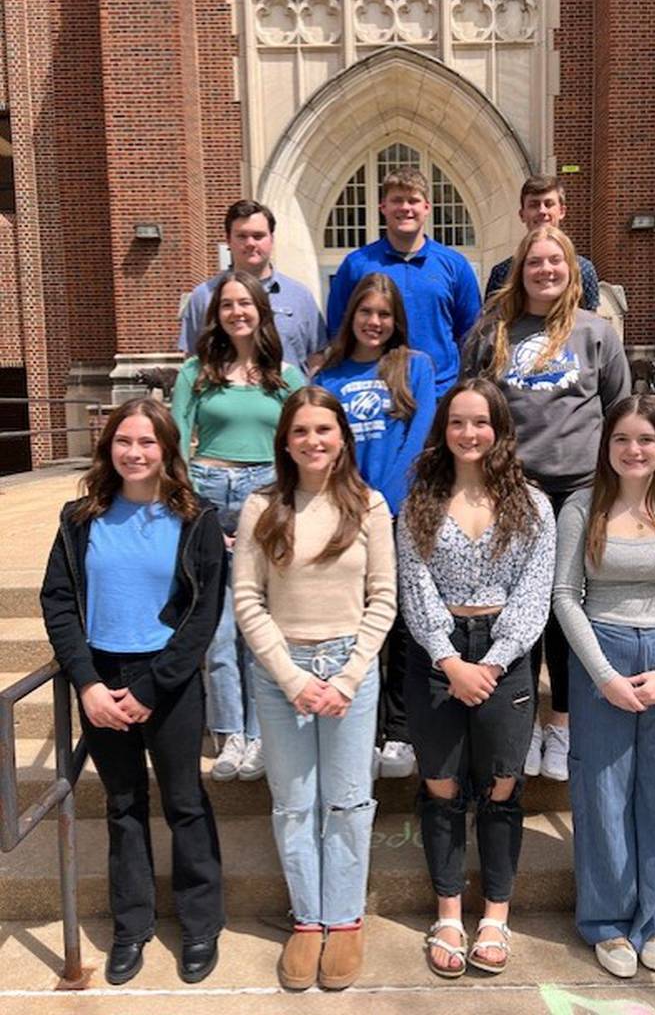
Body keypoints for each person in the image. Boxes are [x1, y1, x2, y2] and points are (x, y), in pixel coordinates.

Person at [40, 398, 226, 986]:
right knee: (122, 807)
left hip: (166, 682)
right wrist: (89, 684)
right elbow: (60, 603)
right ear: (109, 448)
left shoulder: (196, 520)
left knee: (185, 802)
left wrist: (151, 687)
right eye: (125, 441)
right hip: (101, 679)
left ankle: (200, 926)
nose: (136, 452)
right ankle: (132, 927)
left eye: (148, 442)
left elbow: (202, 615)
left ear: (168, 450)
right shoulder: (80, 519)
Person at [552, 395, 655, 978]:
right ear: (607, 446)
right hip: (601, 652)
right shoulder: (582, 507)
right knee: (601, 792)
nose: (633, 450)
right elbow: (564, 596)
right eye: (622, 439)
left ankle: (654, 916)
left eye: (645, 440)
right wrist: (603, 674)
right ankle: (605, 920)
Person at [233, 386, 396, 991]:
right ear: (285, 441)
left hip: (351, 666)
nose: (313, 441)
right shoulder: (262, 507)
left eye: (323, 430)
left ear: (342, 438)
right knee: (294, 802)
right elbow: (247, 601)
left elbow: (384, 599)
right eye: (300, 431)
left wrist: (347, 677)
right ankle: (308, 920)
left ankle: (345, 919)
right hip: (283, 673)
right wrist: (293, 676)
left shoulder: (370, 506)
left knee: (348, 800)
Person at [397, 378, 555, 978]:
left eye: (481, 422)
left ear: (500, 430)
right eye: (458, 422)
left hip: (505, 654)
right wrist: (450, 660)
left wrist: (491, 662)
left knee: (501, 787)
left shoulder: (533, 505)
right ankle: (447, 912)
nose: (469, 433)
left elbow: (535, 592)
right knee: (440, 785)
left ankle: (495, 914)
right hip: (436, 657)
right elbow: (415, 586)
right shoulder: (420, 501)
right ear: (443, 429)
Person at [461, 226, 630, 782]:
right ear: (520, 269)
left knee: (563, 611)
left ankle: (561, 720)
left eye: (556, 261)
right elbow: (470, 405)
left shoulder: (596, 332)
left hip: (579, 492)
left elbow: (619, 412)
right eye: (535, 262)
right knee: (515, 613)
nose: (546, 270)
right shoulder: (493, 331)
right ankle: (522, 720)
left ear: (571, 269)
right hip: (513, 492)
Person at [171, 270, 305, 781]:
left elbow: (304, 445)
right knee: (220, 629)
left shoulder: (287, 378)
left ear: (260, 312)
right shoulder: (195, 373)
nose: (236, 313)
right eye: (226, 305)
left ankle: (262, 735)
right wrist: (197, 519)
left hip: (267, 502)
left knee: (260, 626)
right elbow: (176, 446)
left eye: (245, 304)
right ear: (215, 314)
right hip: (208, 495)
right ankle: (231, 736)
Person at [317, 272, 436, 778]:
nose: (374, 322)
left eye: (384, 315)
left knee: (405, 625)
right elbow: (321, 446)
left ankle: (401, 731)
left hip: (399, 514)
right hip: (344, 516)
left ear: (396, 322)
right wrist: (352, 504)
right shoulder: (328, 376)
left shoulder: (415, 367)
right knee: (356, 623)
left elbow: (420, 436)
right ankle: (363, 728)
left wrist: (387, 502)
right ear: (352, 316)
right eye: (366, 312)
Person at [325, 167, 481, 398]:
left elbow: (470, 334)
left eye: (413, 200)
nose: (405, 208)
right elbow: (339, 330)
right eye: (397, 200)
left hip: (440, 393)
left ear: (427, 207)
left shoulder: (455, 265)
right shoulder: (356, 265)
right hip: (375, 392)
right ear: (383, 207)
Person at [178, 199, 327, 371]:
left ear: (271, 238)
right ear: (228, 240)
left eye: (258, 236)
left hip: (289, 396)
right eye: (242, 236)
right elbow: (193, 360)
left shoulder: (300, 296)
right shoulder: (204, 296)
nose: (250, 243)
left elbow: (316, 358)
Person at [484, 174, 599, 310]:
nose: (542, 211)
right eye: (534, 205)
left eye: (549, 204)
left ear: (562, 211)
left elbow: (592, 324)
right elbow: (492, 323)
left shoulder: (583, 269)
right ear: (522, 215)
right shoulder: (502, 272)